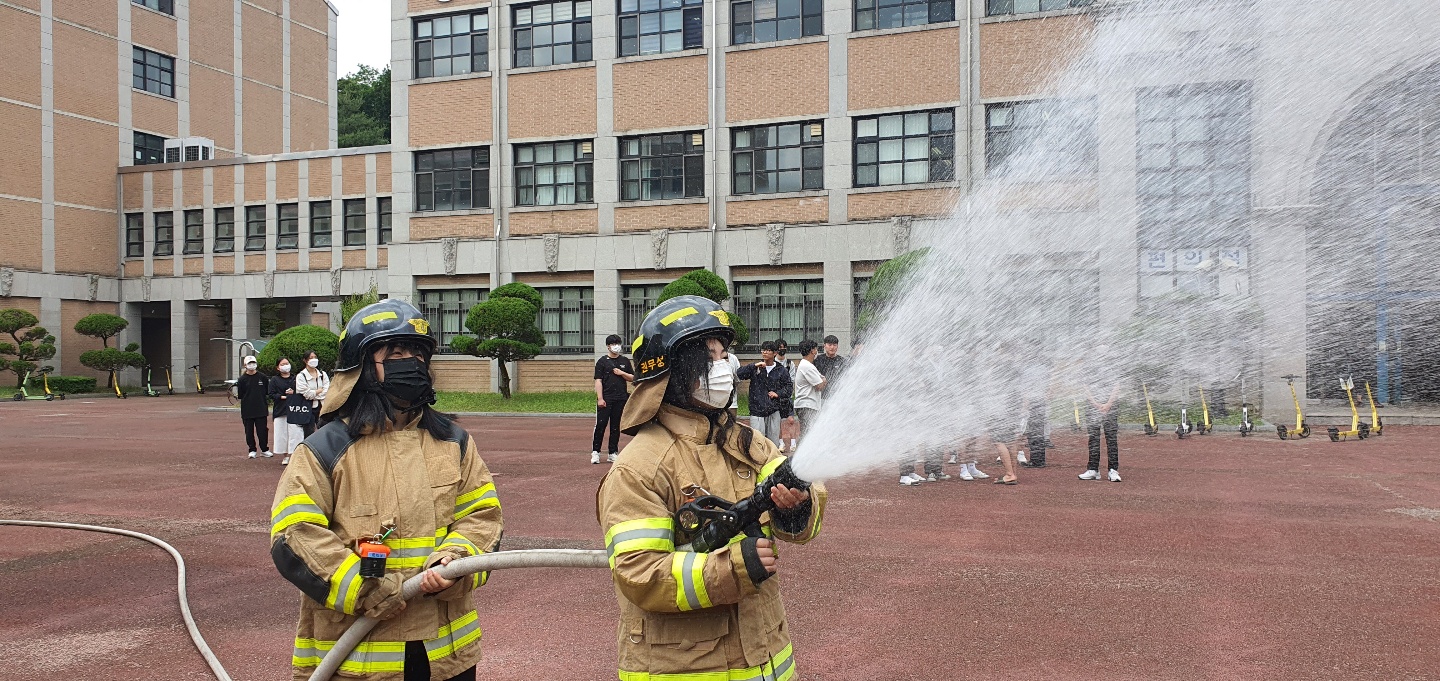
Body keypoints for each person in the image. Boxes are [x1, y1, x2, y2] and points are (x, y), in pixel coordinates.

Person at [270, 299, 503, 681]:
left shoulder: (454, 442)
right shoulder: (324, 450)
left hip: (446, 658)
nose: (410, 362)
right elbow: (294, 535)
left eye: (417, 353)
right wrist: (366, 588)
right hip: (358, 660)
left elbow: (482, 518)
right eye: (395, 353)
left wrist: (455, 562)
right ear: (361, 368)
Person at [597, 295, 825, 681]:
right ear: (672, 371)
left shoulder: (746, 443)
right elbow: (640, 573)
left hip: (766, 658)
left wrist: (797, 508)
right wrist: (733, 569)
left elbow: (802, 507)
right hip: (686, 667)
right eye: (710, 358)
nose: (723, 369)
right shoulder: (638, 468)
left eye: (723, 356)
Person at [735, 341, 791, 448]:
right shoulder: (756, 367)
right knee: (757, 442)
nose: (764, 352)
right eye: (763, 350)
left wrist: (777, 394)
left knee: (773, 442)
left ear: (775, 353)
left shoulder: (781, 370)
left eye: (768, 350)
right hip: (757, 409)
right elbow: (740, 374)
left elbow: (788, 388)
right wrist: (754, 366)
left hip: (774, 409)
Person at [592, 334, 635, 464]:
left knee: (615, 426)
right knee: (601, 425)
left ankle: (612, 452)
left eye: (618, 343)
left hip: (621, 398)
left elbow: (633, 378)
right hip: (606, 398)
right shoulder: (602, 362)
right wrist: (600, 398)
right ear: (608, 346)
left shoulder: (625, 361)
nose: (616, 346)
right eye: (613, 344)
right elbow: (598, 381)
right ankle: (596, 452)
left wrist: (622, 373)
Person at [1081, 357, 1123, 482]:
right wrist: (1095, 404)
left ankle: (1113, 470)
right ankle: (1093, 469)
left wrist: (1109, 404)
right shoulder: (1089, 363)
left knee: (1111, 438)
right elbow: (1085, 386)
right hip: (1092, 406)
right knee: (1093, 438)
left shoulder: (1113, 362)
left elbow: (1117, 385)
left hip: (1111, 405)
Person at [269, 358, 304, 466]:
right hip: (280, 410)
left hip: (294, 409)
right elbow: (271, 394)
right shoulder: (274, 380)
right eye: (282, 364)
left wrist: (294, 393)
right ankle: (286, 456)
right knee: (282, 434)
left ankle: (294, 455)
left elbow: (302, 391)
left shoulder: (296, 378)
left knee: (296, 433)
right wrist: (283, 397)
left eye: (287, 363)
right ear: (278, 367)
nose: (285, 365)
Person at [236, 354, 272, 459]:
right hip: (247, 409)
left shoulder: (262, 377)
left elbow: (267, 391)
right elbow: (241, 394)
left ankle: (264, 449)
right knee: (249, 431)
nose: (252, 365)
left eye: (253, 363)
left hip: (261, 408)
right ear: (245, 365)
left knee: (262, 430)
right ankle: (252, 449)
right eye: (249, 363)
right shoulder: (242, 379)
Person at [791, 339, 826, 442]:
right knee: (807, 433)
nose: (817, 351)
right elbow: (819, 385)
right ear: (812, 351)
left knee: (808, 432)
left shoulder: (806, 365)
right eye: (816, 349)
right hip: (807, 405)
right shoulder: (807, 366)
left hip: (807, 405)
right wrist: (823, 380)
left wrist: (822, 380)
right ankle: (800, 451)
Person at [295, 349, 330, 440]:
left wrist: (315, 393)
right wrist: (318, 391)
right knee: (308, 433)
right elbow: (306, 394)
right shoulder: (301, 376)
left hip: (322, 406)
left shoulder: (322, 374)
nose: (314, 359)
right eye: (311, 358)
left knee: (324, 431)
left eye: (315, 357)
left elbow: (327, 390)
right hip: (307, 408)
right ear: (305, 360)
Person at [774, 338, 799, 452]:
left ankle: (793, 443)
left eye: (784, 347)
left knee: (791, 420)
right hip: (775, 397)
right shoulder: (772, 363)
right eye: (780, 348)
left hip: (787, 397)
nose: (782, 350)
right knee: (777, 420)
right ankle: (781, 443)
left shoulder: (790, 363)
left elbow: (792, 379)